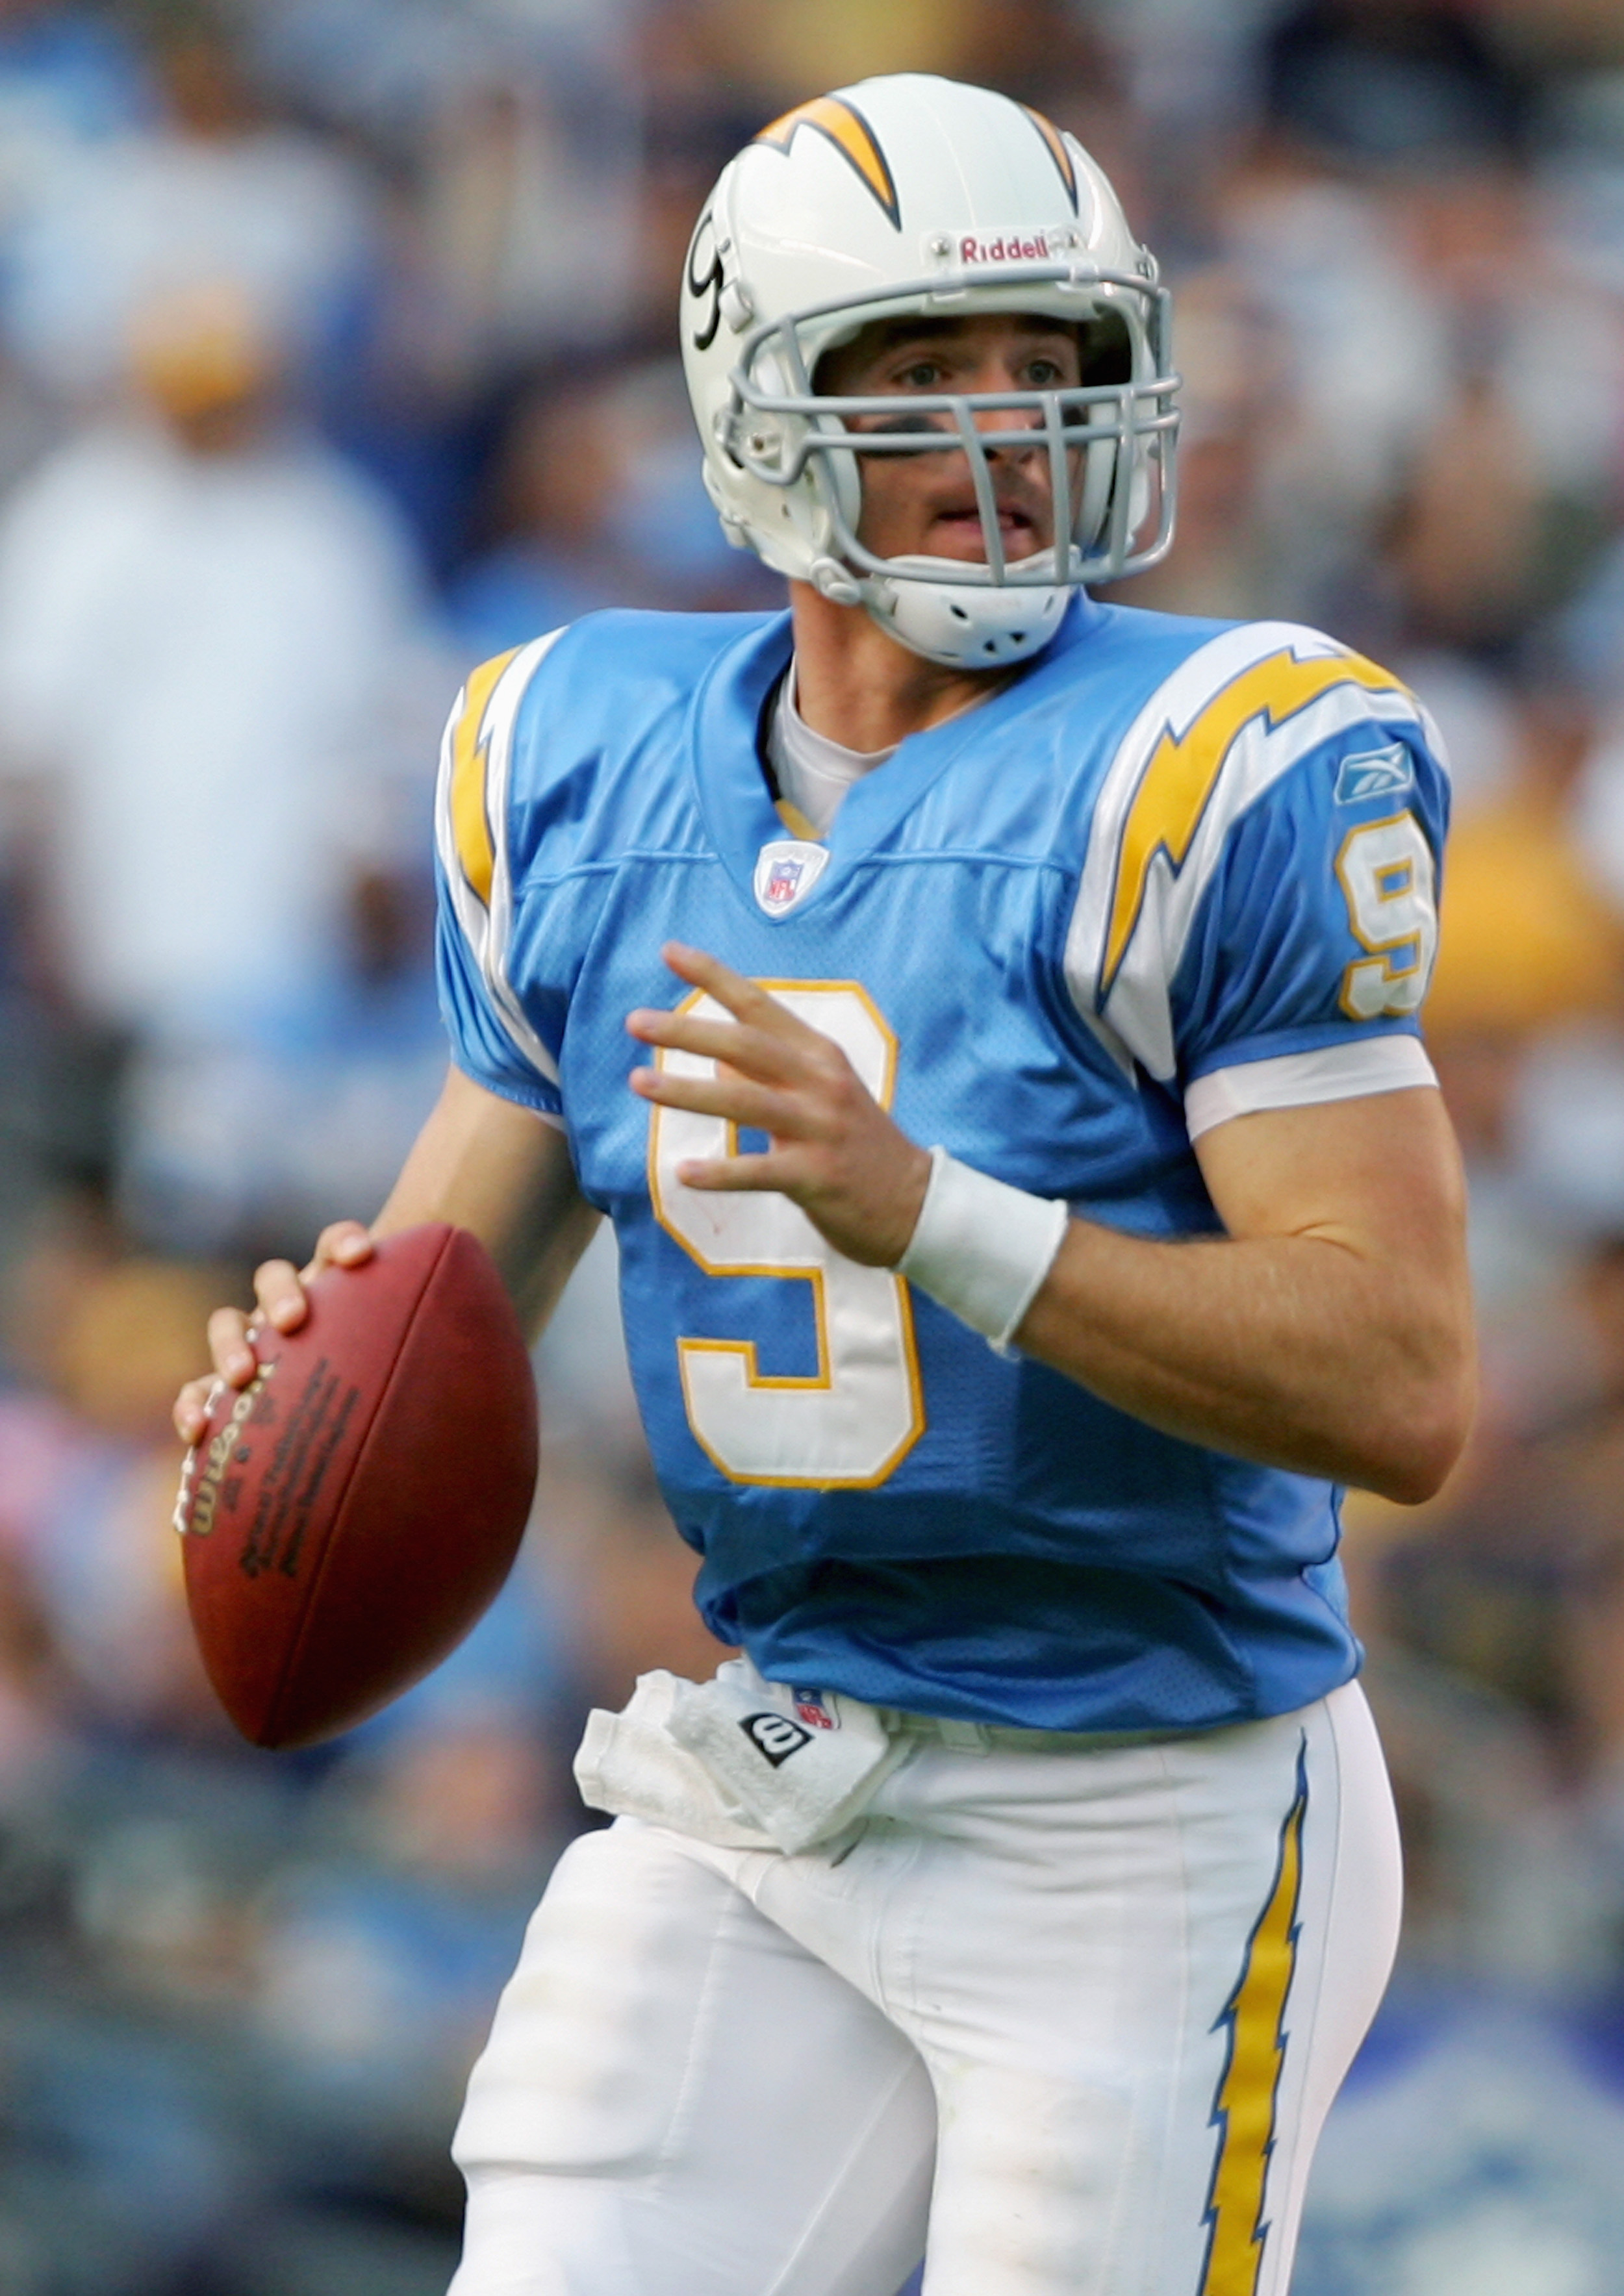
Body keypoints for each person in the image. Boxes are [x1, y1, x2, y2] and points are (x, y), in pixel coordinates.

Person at [175, 74, 1474, 2296]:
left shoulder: (1224, 763)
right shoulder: (572, 751)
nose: (1005, 431)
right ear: (758, 406)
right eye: (922, 370)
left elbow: (1400, 1379)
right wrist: (290, 1391)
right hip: (779, 1763)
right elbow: (427, 1296)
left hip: (1146, 1800)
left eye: (1045, 366)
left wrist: (937, 1211)